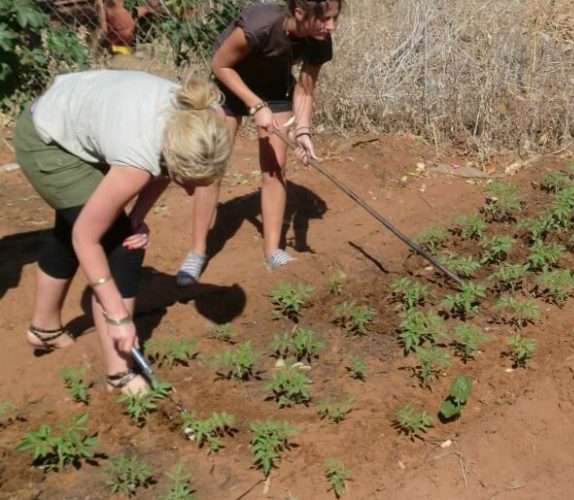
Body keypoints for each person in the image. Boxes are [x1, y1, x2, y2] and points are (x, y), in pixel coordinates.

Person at [14, 70, 232, 394]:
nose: (188, 193)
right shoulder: (139, 158)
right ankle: (120, 375)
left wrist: (138, 215)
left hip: (76, 119)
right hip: (47, 141)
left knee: (84, 217)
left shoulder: (204, 119)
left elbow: (161, 169)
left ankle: (44, 328)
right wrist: (118, 316)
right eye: (186, 181)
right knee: (119, 245)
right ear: (170, 157)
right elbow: (85, 238)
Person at [175, 0, 342, 286]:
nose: (331, 26)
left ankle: (272, 252)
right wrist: (255, 105)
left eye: (334, 19)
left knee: (274, 169)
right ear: (300, 13)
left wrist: (303, 132)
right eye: (325, 19)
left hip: (275, 89)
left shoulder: (319, 39)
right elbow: (220, 63)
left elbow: (304, 89)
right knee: (213, 167)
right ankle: (197, 251)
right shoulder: (261, 24)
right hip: (230, 83)